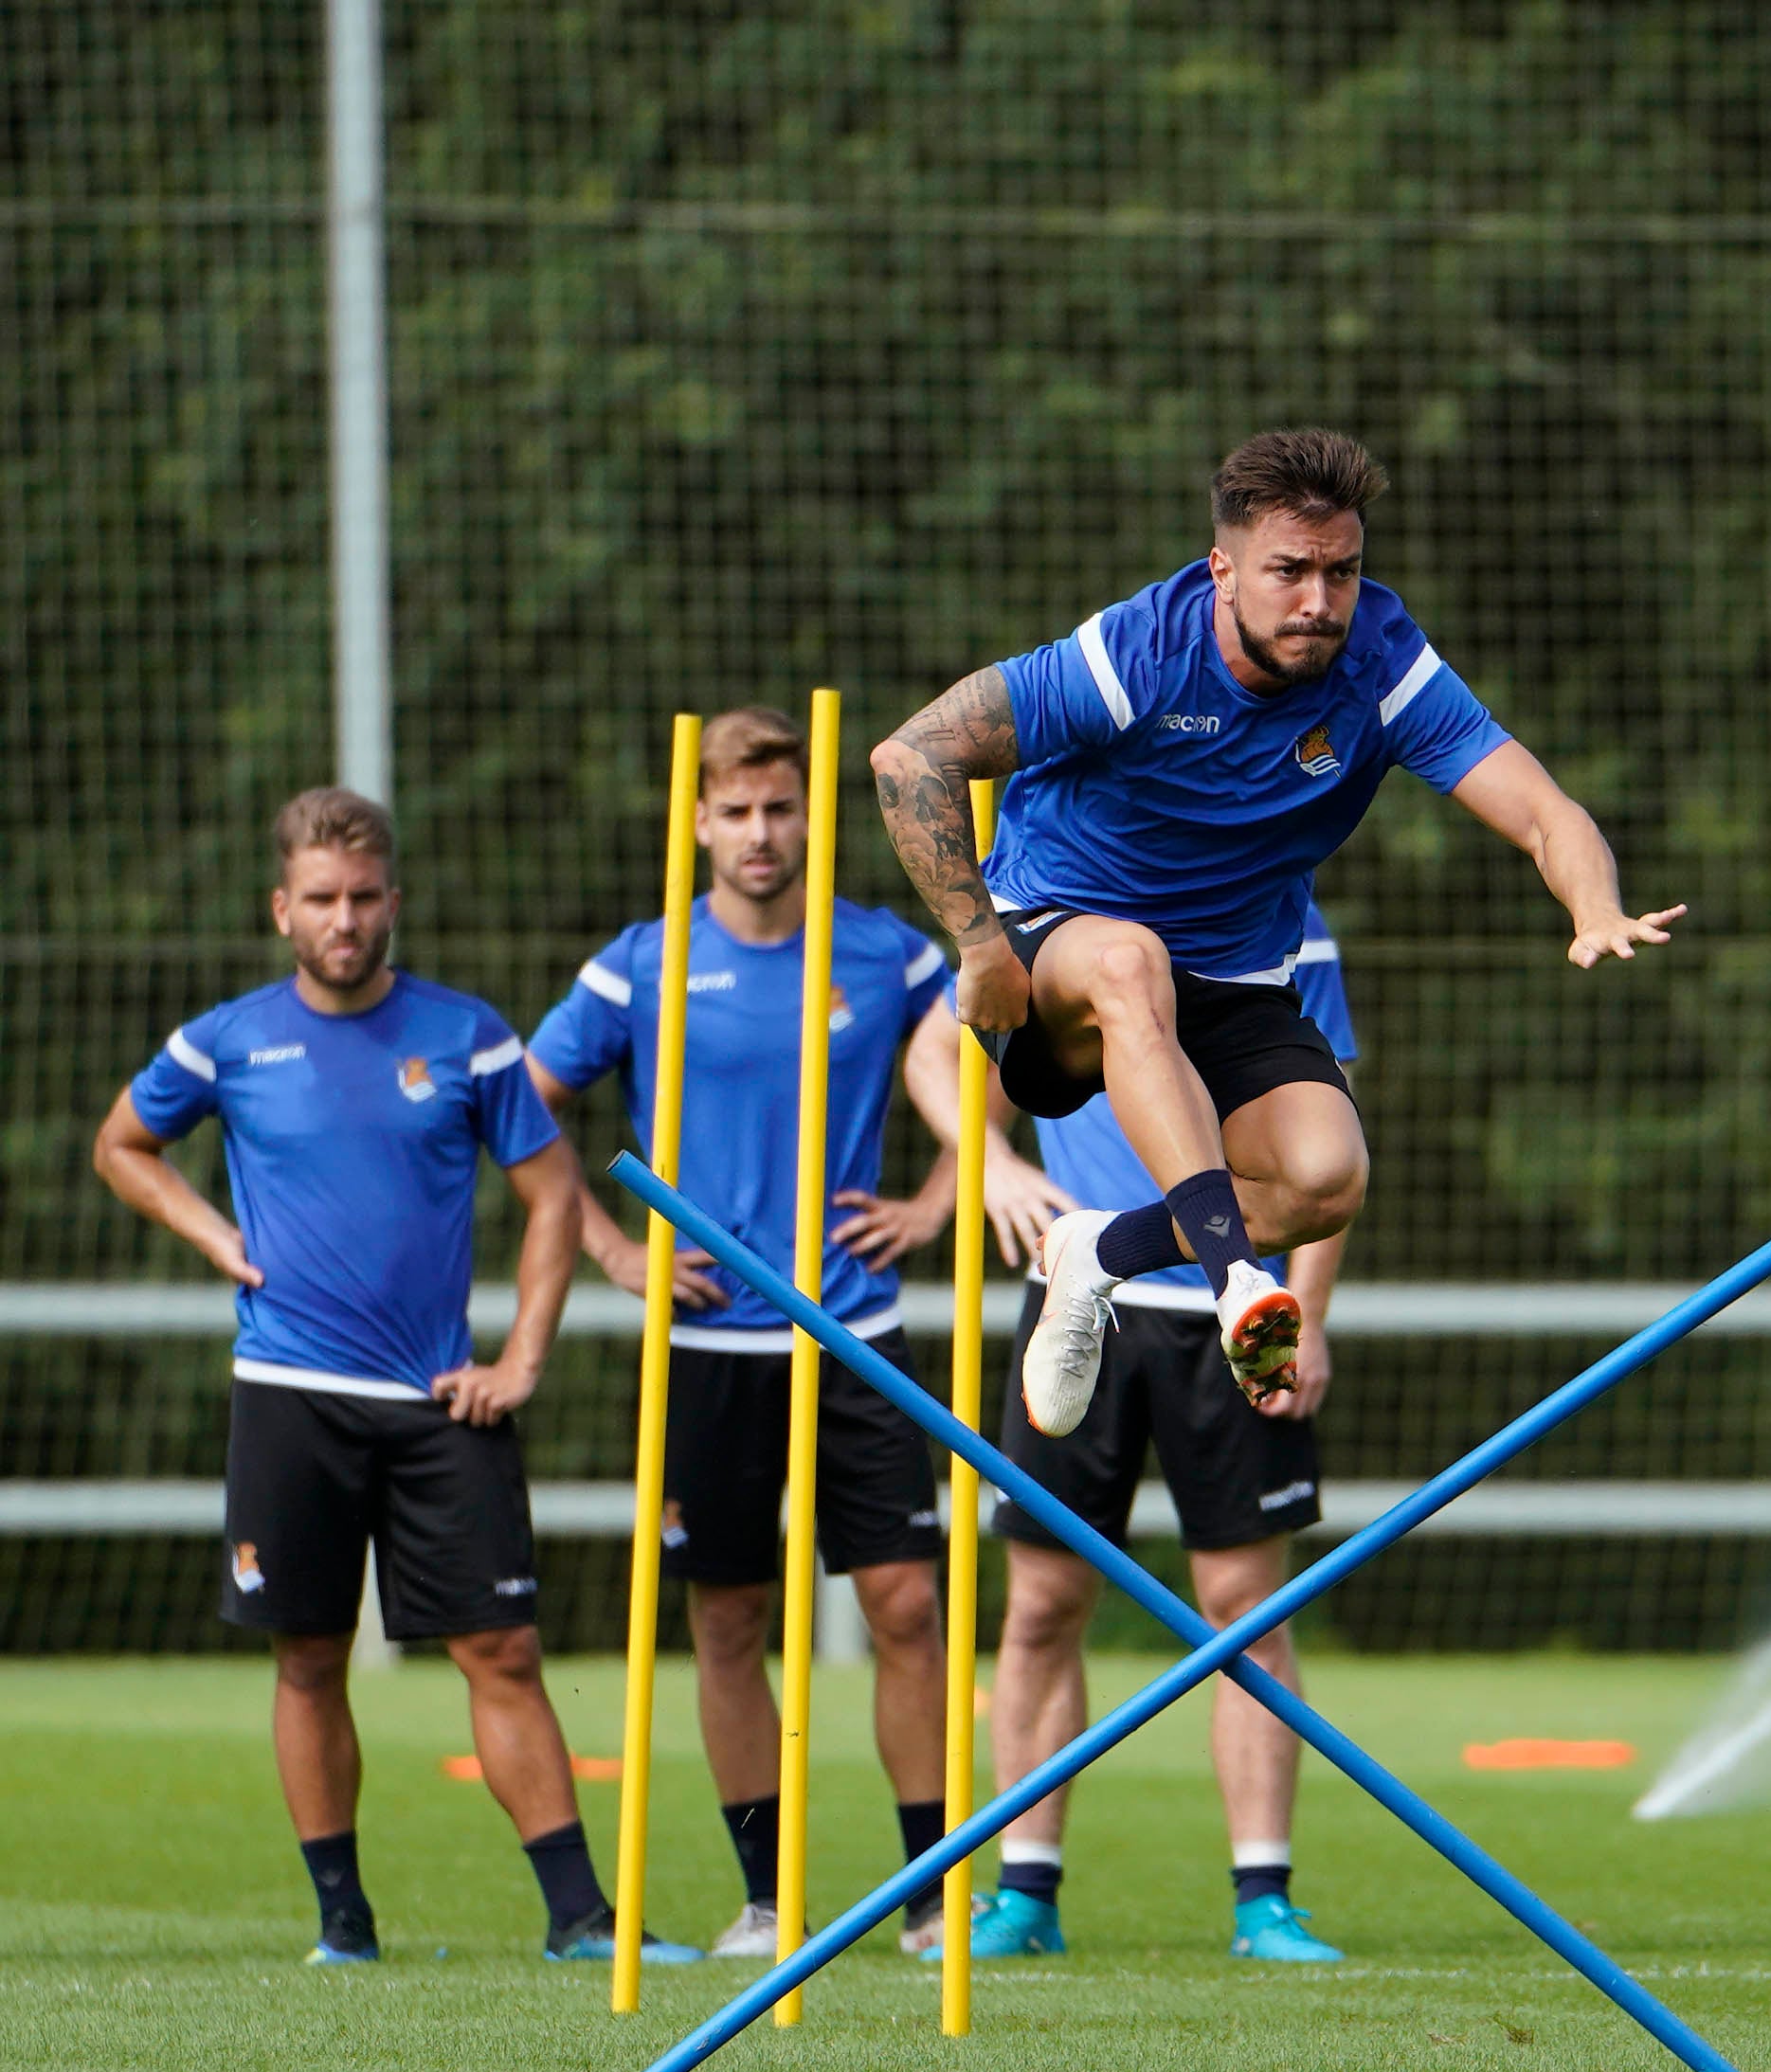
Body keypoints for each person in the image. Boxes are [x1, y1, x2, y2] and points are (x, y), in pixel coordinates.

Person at [871, 425, 1685, 1440]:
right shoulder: (1134, 656)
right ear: (1222, 570)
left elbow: (1541, 812)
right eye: (1287, 572)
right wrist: (980, 945)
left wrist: (1592, 905)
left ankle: (1099, 1253)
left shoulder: (1381, 663)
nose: (1316, 601)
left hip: (1232, 977)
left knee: (1324, 1178)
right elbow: (907, 760)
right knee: (1131, 961)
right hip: (1057, 951)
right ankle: (1233, 1288)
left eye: (1339, 572)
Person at [91, 788, 687, 1967]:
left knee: (504, 1653)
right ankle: (343, 1926)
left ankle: (579, 1921)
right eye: (322, 899)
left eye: (364, 898)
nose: (345, 919)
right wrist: (212, 1237)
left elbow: (553, 1196)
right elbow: (121, 1144)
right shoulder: (227, 1039)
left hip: (436, 1402)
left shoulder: (469, 1034)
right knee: (306, 1655)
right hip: (287, 1395)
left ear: (393, 903)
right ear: (282, 910)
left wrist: (519, 1358)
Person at [526, 707, 1065, 1959]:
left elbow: (990, 1047)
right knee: (722, 1620)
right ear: (699, 822)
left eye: (781, 809)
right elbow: (525, 1104)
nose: (761, 833)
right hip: (709, 1345)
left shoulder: (884, 954)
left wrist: (944, 1192)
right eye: (736, 812)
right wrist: (612, 1248)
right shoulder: (643, 961)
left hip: (857, 1334)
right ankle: (768, 1899)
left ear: (811, 818)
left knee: (905, 1606)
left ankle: (931, 1901)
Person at [905, 907, 1356, 1965]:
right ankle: (1024, 1890)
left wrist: (1312, 1314)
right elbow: (938, 1049)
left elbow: (1327, 1125)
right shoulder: (1055, 909)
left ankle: (1262, 1898)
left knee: (1245, 1604)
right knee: (1044, 1602)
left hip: (1229, 1305)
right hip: (1074, 1303)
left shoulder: (1284, 917)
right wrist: (987, 1165)